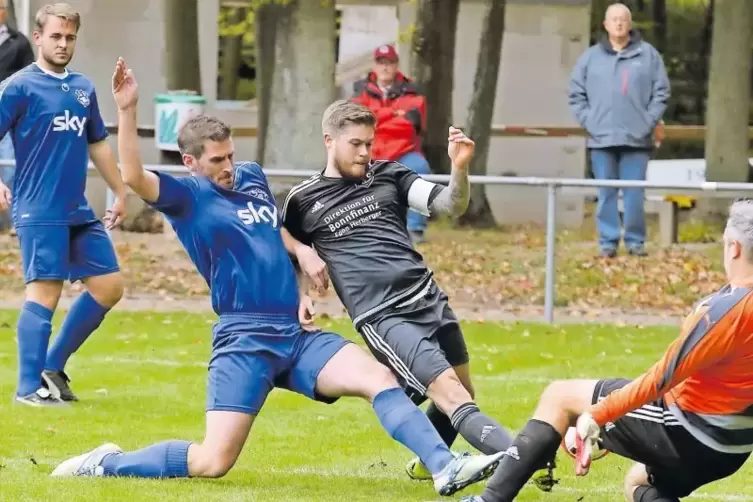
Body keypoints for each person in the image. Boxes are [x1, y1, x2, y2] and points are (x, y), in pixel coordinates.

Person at [48, 58, 505, 498]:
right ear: (190, 162)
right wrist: (127, 111)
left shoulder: (250, 176)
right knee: (212, 461)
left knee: (379, 378)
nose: (227, 166)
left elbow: (272, 227)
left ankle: (444, 466)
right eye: (215, 161)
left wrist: (302, 252)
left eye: (229, 155)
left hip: (296, 331)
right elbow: (131, 175)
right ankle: (106, 463)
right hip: (244, 338)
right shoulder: (186, 196)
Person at [282, 100, 516, 482]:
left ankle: (430, 463)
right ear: (329, 140)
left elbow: (449, 205)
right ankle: (520, 458)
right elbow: (280, 236)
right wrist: (302, 277)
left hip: (427, 295)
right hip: (383, 313)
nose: (365, 153)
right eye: (355, 144)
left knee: (463, 392)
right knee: (451, 394)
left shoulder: (389, 174)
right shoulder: (303, 199)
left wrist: (459, 168)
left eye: (369, 144)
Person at [460, 198, 753, 502]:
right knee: (639, 484)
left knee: (560, 396)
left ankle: (488, 500)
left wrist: (598, 415)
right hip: (732, 448)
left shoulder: (723, 313)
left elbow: (660, 379)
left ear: (734, 248)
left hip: (686, 429)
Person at [0, 3, 126, 406]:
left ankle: (51, 365)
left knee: (109, 286)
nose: (62, 43)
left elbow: (98, 144)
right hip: (39, 208)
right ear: (38, 37)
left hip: (76, 209)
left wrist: (120, 190)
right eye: (55, 36)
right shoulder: (19, 86)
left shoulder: (83, 88)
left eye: (69, 37)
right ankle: (26, 389)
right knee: (45, 295)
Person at [568, 2, 670, 258]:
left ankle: (636, 242)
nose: (619, 23)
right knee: (606, 194)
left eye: (623, 19)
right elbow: (576, 95)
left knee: (635, 195)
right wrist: (590, 121)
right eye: (614, 19)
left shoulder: (648, 56)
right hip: (601, 140)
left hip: (637, 140)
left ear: (630, 24)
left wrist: (647, 122)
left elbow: (661, 92)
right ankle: (608, 243)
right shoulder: (590, 58)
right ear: (605, 25)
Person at [351, 44, 430, 244]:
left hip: (404, 152)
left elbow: (410, 126)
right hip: (369, 153)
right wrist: (395, 113)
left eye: (390, 63)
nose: (385, 67)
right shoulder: (359, 92)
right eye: (381, 62)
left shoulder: (413, 91)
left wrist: (377, 119)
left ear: (397, 65)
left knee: (420, 168)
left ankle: (415, 229)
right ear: (374, 65)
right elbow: (357, 123)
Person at [0, 0, 35, 233]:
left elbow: (30, 76)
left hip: (7, 114)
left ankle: (11, 221)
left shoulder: (19, 42)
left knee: (9, 166)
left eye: (1, 7)